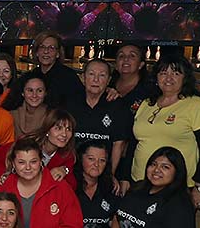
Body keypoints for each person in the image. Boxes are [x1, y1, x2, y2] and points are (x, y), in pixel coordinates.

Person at [131, 55, 200, 211]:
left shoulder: (197, 105)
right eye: (163, 72)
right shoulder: (146, 103)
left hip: (179, 186)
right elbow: (133, 143)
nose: (168, 78)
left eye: (176, 73)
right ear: (156, 77)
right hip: (141, 181)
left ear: (185, 78)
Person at [68, 57, 131, 190]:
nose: (96, 80)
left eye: (102, 75)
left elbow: (118, 145)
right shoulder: (70, 104)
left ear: (108, 80)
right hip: (72, 172)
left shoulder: (118, 106)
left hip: (102, 172)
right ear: (83, 77)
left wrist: (109, 175)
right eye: (91, 74)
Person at [73, 141, 118, 228]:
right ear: (81, 159)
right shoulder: (69, 186)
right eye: (91, 159)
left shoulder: (110, 187)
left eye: (102, 160)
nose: (96, 164)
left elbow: (116, 220)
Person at [31, 30, 83, 108]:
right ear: (37, 52)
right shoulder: (31, 76)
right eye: (42, 47)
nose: (46, 51)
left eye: (51, 48)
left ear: (58, 53)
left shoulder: (69, 77)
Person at [107, 40, 156, 114]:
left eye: (132, 56)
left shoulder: (150, 90)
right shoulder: (105, 86)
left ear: (141, 65)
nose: (126, 59)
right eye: (121, 56)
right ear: (116, 65)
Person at [4, 70, 53, 141]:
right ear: (22, 93)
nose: (34, 95)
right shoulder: (11, 115)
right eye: (30, 90)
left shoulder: (52, 117)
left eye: (39, 91)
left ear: (45, 93)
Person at [39, 110, 78, 185]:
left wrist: (65, 170)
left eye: (68, 129)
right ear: (47, 130)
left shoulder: (68, 156)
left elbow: (72, 186)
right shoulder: (27, 146)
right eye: (58, 128)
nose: (64, 134)